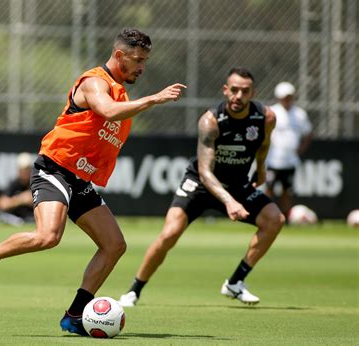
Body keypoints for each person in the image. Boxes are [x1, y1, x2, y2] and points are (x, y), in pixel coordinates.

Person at [0, 28, 186, 336]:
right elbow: (108, 112)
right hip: (55, 169)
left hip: (79, 179)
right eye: (138, 60)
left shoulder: (121, 91)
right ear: (119, 55)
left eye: (145, 61)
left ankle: (74, 315)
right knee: (48, 235)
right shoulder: (94, 83)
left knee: (114, 245)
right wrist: (153, 99)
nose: (142, 67)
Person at [118, 67, 285, 307]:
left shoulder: (266, 118)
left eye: (245, 91)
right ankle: (134, 290)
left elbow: (264, 144)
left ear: (253, 93)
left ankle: (235, 282)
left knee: (275, 220)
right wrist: (229, 201)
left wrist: (260, 168)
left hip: (237, 184)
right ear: (225, 90)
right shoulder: (211, 121)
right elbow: (206, 172)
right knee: (169, 234)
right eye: (234, 90)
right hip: (200, 183)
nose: (238, 96)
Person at [265, 82, 313, 217]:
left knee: (287, 191)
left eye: (289, 97)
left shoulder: (300, 114)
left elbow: (308, 133)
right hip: (273, 161)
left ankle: (286, 218)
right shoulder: (271, 112)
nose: (287, 100)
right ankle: (266, 216)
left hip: (290, 161)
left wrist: (301, 149)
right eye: (284, 97)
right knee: (269, 189)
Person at [0, 152, 35, 226]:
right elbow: (1, 204)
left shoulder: (35, 183)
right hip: (15, 218)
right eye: (22, 169)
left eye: (26, 169)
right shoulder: (14, 183)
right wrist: (21, 199)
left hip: (32, 219)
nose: (24, 172)